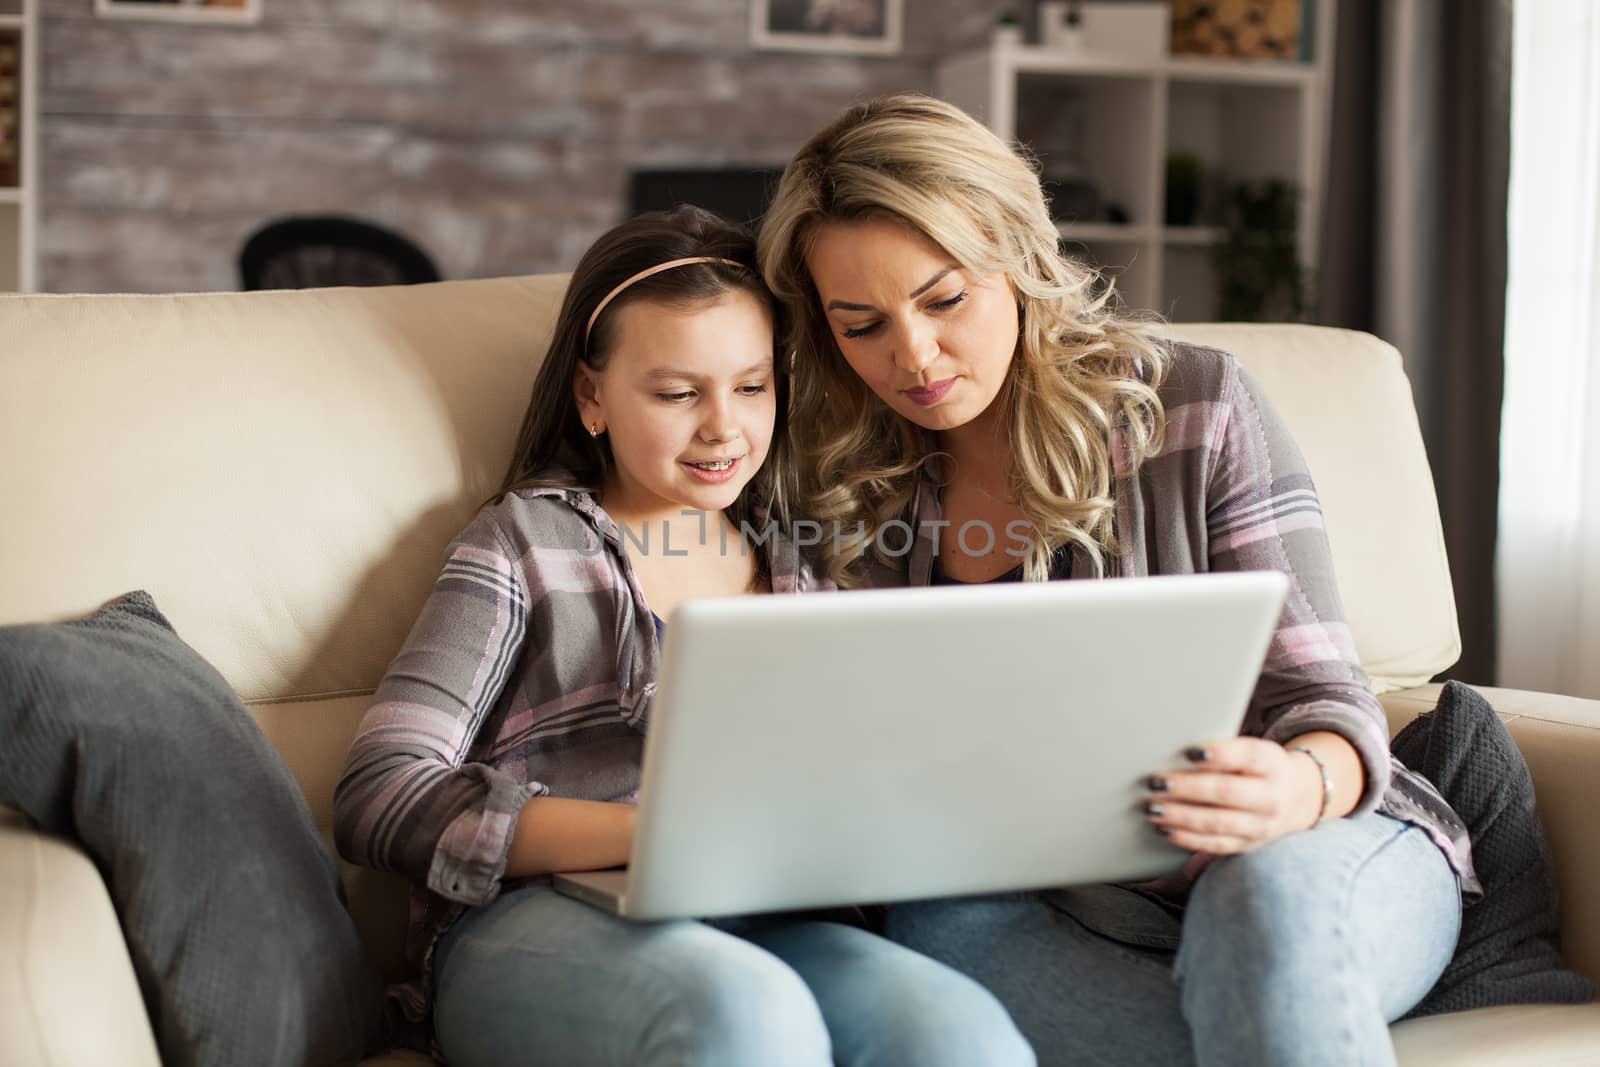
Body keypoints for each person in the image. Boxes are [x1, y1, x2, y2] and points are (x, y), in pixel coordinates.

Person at [756, 93, 1476, 1067]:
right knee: (931, 939)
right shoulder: (830, 479)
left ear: (1015, 258)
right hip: (1031, 895)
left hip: (1302, 844)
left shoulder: (1194, 403)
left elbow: (1326, 699)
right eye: (862, 324)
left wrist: (1298, 786)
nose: (912, 356)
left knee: (1256, 906)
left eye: (943, 298)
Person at [332, 205, 1033, 1067]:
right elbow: (379, 793)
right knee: (745, 1016)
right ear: (592, 396)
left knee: (960, 1033)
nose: (723, 428)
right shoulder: (525, 545)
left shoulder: (813, 558)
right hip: (541, 922)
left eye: (751, 386)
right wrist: (665, 832)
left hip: (773, 918)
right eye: (676, 393)